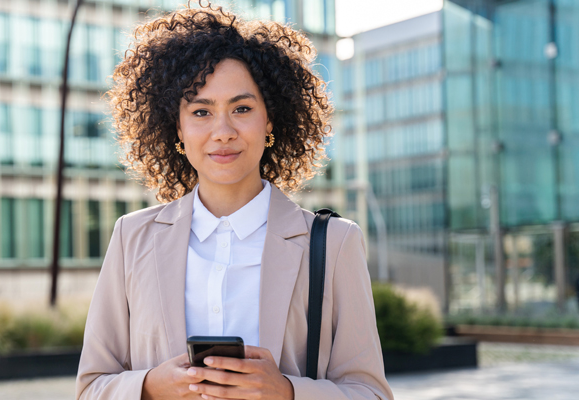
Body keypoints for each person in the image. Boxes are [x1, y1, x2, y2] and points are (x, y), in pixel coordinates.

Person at [75, 4, 393, 400]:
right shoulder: (132, 237)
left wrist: (288, 392)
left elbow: (371, 393)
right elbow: (90, 388)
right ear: (178, 127)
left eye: (241, 109)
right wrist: (150, 386)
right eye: (201, 111)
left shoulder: (333, 244)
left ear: (270, 120)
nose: (222, 132)